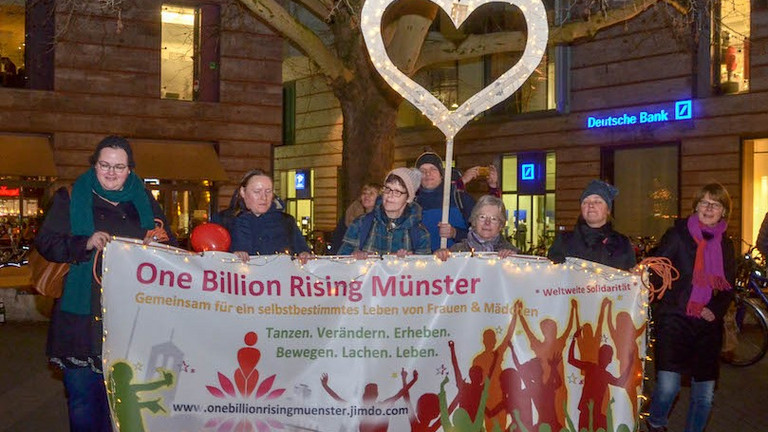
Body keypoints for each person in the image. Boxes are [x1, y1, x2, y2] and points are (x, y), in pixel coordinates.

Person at [35, 135, 176, 432]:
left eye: (119, 167)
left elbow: (169, 245)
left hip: (130, 316)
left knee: (123, 403)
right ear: (95, 165)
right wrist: (84, 242)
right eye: (105, 165)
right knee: (84, 400)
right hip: (81, 315)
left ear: (130, 170)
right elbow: (47, 243)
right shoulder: (71, 196)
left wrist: (157, 242)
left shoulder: (145, 200)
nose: (111, 172)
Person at [646, 183, 736, 432]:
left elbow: (728, 287)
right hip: (675, 320)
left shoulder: (726, 245)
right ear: (695, 206)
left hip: (706, 327)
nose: (708, 208)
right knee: (668, 387)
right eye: (704, 202)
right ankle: (656, 422)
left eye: (715, 204)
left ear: (723, 212)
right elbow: (657, 269)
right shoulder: (677, 235)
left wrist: (715, 310)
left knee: (704, 395)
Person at [338, 167, 430, 258]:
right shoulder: (361, 224)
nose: (389, 196)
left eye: (397, 192)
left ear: (408, 198)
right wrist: (353, 257)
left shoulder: (419, 234)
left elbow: (424, 269)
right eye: (387, 189)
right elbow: (339, 262)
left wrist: (408, 264)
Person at [547, 179, 636, 270]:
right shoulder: (563, 241)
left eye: (597, 201)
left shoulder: (622, 243)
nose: (591, 205)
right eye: (585, 202)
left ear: (608, 210)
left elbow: (631, 277)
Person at [230, 169, 310, 261]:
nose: (264, 197)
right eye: (257, 191)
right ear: (243, 192)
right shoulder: (227, 222)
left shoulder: (287, 222)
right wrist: (232, 257)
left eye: (268, 191)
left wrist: (305, 255)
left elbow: (303, 251)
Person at [414, 151, 474, 252]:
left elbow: (480, 235)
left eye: (433, 169)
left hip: (457, 262)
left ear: (441, 175)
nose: (428, 174)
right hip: (422, 263)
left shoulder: (459, 198)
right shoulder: (412, 203)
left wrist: (455, 233)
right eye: (422, 170)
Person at [434, 195, 519, 261]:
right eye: (482, 217)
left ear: (501, 225)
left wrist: (514, 261)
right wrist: (439, 257)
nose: (487, 222)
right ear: (474, 221)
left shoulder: (512, 253)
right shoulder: (456, 251)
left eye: (494, 219)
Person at [329, 182, 380, 254]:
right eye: (364, 193)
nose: (366, 196)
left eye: (371, 193)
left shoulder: (383, 221)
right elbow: (346, 247)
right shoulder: (358, 220)